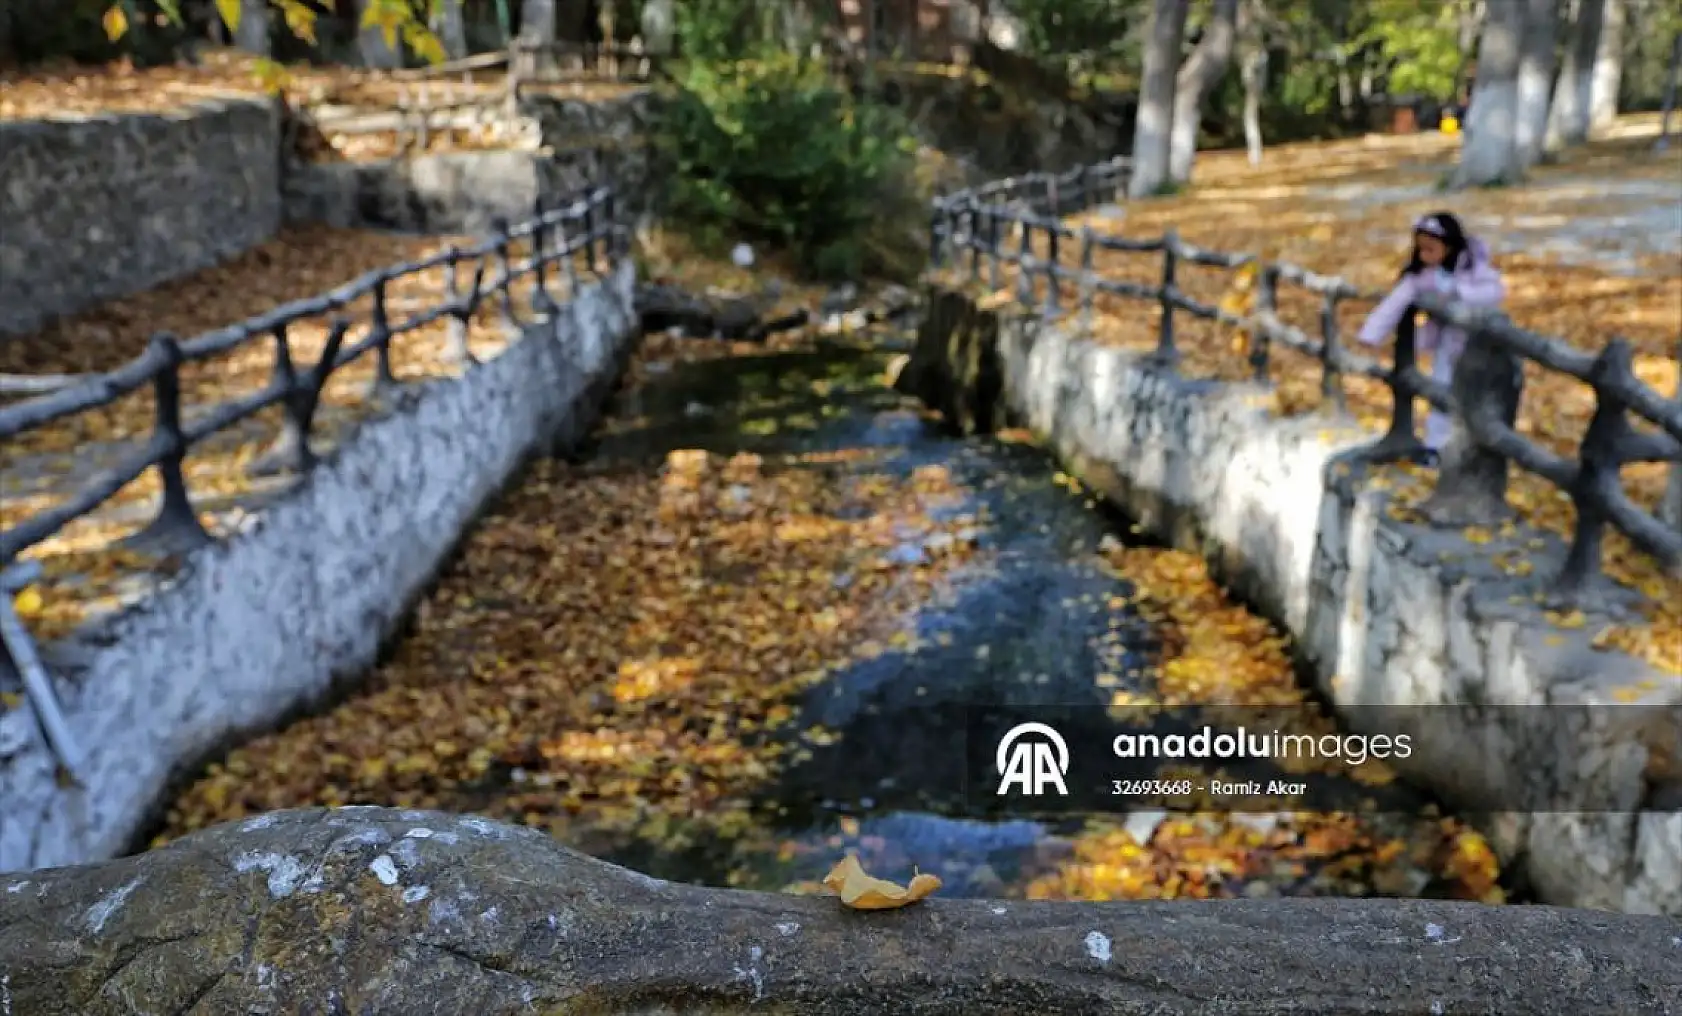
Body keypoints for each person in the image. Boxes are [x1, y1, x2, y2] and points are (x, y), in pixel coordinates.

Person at [1356, 211, 1506, 465]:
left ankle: (1478, 449)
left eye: (1431, 249)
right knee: (1441, 391)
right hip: (1448, 345)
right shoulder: (1421, 277)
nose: (1425, 255)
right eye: (1421, 249)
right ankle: (1436, 447)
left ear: (1448, 247)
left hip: (1478, 345)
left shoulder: (1474, 270)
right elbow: (1394, 303)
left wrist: (1460, 293)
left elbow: (1495, 291)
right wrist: (1371, 333)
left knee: (1477, 397)